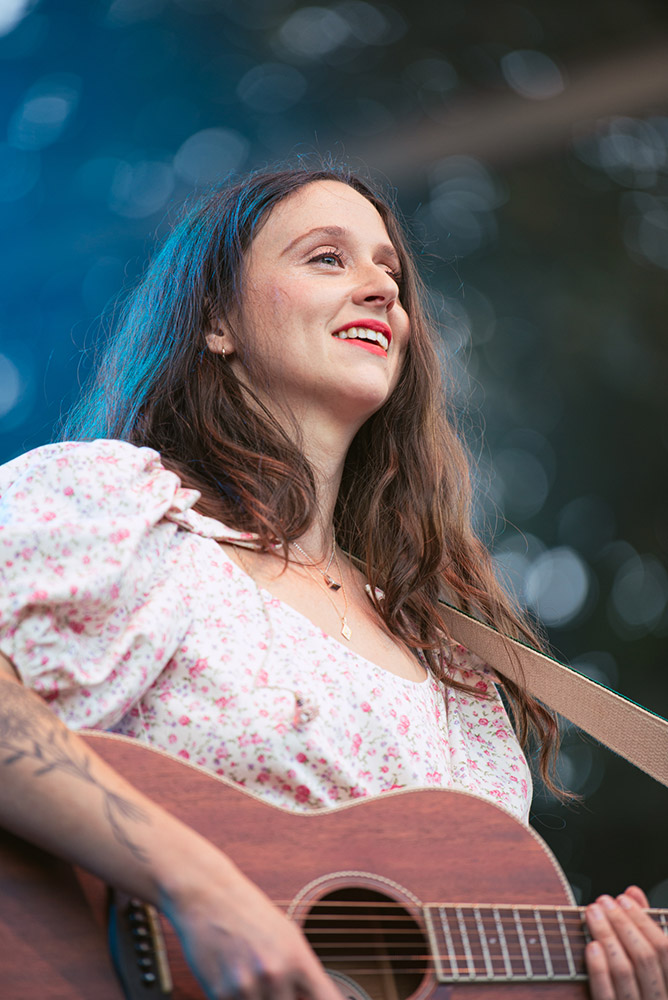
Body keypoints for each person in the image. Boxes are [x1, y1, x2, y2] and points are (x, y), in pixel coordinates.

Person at [0, 165, 665, 1000]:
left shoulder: (453, 671)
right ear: (215, 320)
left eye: (390, 271)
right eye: (327, 258)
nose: (382, 290)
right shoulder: (126, 512)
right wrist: (200, 889)